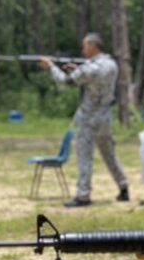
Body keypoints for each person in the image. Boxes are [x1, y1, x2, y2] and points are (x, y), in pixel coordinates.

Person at [39, 33, 129, 207]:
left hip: (89, 117)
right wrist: (77, 70)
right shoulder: (111, 64)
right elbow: (91, 77)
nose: (83, 50)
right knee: (109, 154)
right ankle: (123, 186)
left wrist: (51, 67)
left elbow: (65, 82)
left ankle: (83, 194)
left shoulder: (89, 68)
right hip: (105, 116)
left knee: (84, 156)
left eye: (85, 46)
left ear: (94, 46)